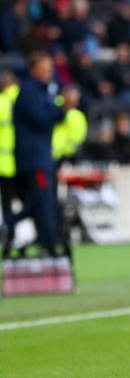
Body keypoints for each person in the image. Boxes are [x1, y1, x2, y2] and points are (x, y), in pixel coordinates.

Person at [12, 52, 69, 258]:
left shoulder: (42, 90)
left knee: (40, 203)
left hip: (39, 157)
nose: (49, 73)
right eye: (45, 68)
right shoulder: (29, 91)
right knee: (43, 202)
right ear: (33, 69)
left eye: (50, 69)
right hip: (34, 159)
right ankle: (48, 243)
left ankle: (45, 238)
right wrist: (62, 109)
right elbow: (41, 119)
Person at [0, 71, 20, 258]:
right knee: (28, 201)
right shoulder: (25, 99)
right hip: (22, 162)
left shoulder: (2, 102)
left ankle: (9, 235)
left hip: (4, 164)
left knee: (6, 204)